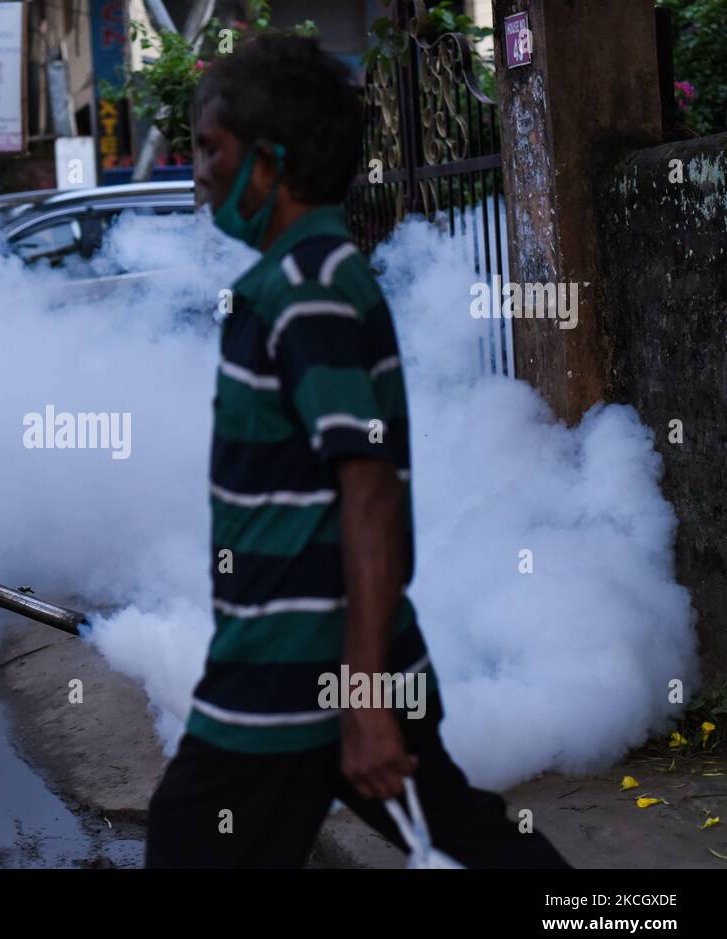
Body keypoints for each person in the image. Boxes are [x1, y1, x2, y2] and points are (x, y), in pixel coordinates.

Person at [144, 35, 569, 868]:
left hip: (293, 670)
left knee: (190, 844)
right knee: (467, 836)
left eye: (210, 150)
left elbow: (367, 487)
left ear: (270, 164)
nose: (197, 172)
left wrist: (364, 693)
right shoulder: (311, 274)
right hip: (332, 659)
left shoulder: (303, 287)